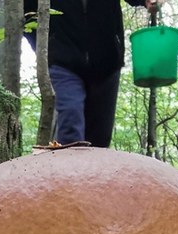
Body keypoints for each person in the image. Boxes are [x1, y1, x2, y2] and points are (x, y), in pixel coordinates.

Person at [24, 0, 159, 147]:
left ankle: (96, 169)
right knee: (71, 118)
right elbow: (26, 12)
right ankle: (68, 168)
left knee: (99, 138)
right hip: (63, 62)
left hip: (107, 62)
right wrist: (47, 48)